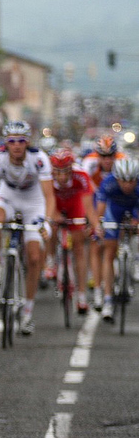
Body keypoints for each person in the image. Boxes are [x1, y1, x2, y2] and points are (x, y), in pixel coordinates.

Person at [0, 121, 55, 335]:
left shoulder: (38, 159)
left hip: (33, 201)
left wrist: (46, 221)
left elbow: (49, 196)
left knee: (34, 257)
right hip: (8, 196)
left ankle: (28, 311)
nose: (17, 145)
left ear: (27, 142)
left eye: (21, 141)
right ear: (6, 143)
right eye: (12, 141)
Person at [46, 149, 99, 314]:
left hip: (74, 204)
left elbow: (88, 206)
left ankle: (81, 296)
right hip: (55, 202)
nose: (62, 177)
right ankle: (51, 260)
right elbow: (44, 200)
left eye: (66, 172)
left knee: (78, 249)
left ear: (71, 169)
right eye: (58, 172)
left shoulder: (81, 175)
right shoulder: (46, 176)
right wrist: (53, 216)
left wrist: (95, 225)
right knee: (50, 226)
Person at [81, 135, 126, 310]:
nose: (107, 160)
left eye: (110, 156)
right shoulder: (89, 162)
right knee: (96, 243)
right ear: (97, 155)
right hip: (95, 196)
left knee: (113, 241)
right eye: (103, 156)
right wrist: (92, 218)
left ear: (116, 155)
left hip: (115, 198)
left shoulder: (123, 161)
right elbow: (88, 188)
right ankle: (98, 290)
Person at [95, 157, 139, 322]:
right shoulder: (109, 183)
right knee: (109, 251)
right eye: (123, 181)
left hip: (135, 206)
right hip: (115, 209)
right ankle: (107, 299)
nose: (127, 185)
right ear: (117, 179)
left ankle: (135, 261)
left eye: (131, 181)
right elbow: (100, 209)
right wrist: (99, 226)